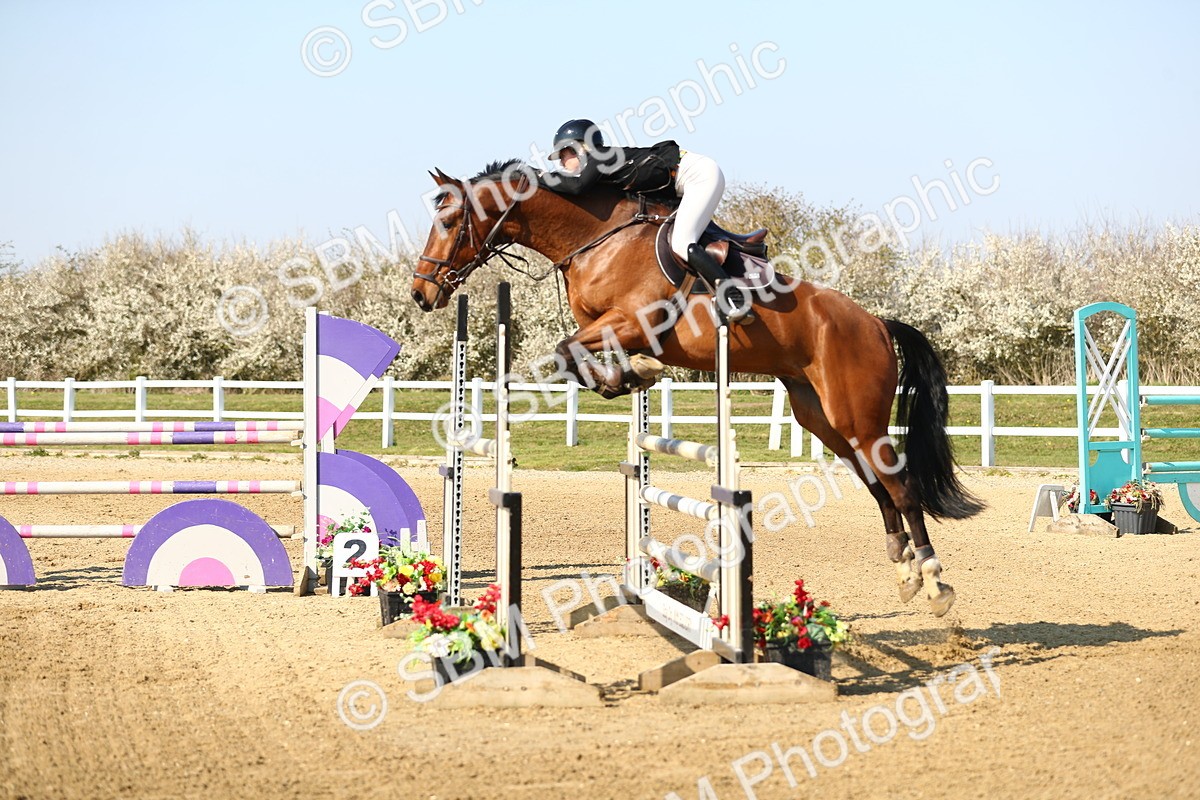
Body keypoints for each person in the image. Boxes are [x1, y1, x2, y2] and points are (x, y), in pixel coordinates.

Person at [538, 119, 753, 322]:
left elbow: (575, 187)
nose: (562, 162)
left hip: (699, 176)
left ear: (581, 148)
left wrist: (536, 177)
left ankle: (734, 298)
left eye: (564, 154)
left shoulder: (599, 158)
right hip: (682, 182)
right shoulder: (602, 168)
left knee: (682, 242)